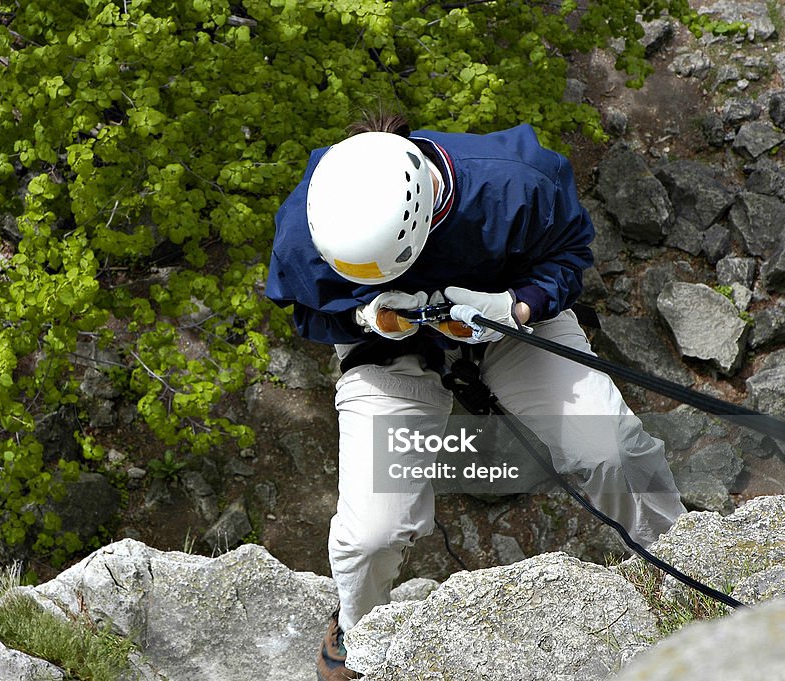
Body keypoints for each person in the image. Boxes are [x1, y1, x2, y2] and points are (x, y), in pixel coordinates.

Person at [264, 113, 687, 681]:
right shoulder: (311, 221)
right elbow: (307, 308)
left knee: (609, 448)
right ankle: (359, 631)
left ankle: (683, 559)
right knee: (371, 534)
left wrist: (516, 307)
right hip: (392, 345)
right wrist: (364, 314)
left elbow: (569, 253)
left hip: (509, 318)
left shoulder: (518, 183)